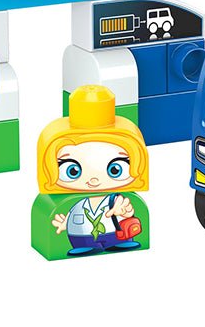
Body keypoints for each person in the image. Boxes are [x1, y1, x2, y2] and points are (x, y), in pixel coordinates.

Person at [35, 86, 149, 257]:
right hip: (81, 237)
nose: (94, 180)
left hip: (113, 234)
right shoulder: (74, 203)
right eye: (73, 170)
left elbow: (126, 209)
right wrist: (65, 223)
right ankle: (84, 246)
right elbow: (68, 212)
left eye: (115, 169)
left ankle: (118, 243)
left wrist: (125, 211)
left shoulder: (116, 199)